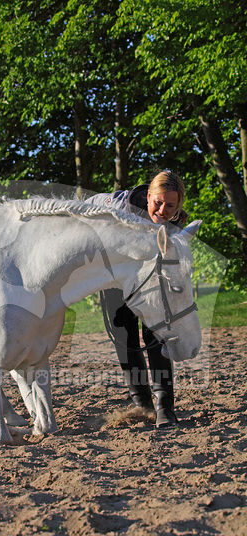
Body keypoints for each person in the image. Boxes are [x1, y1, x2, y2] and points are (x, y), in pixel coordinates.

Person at [86, 170, 188, 428]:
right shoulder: (121, 205)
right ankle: (142, 404)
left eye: (171, 205)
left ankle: (165, 407)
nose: (163, 210)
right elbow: (84, 207)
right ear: (149, 195)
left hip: (151, 280)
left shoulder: (176, 224)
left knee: (157, 334)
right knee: (124, 336)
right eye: (158, 202)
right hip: (115, 276)